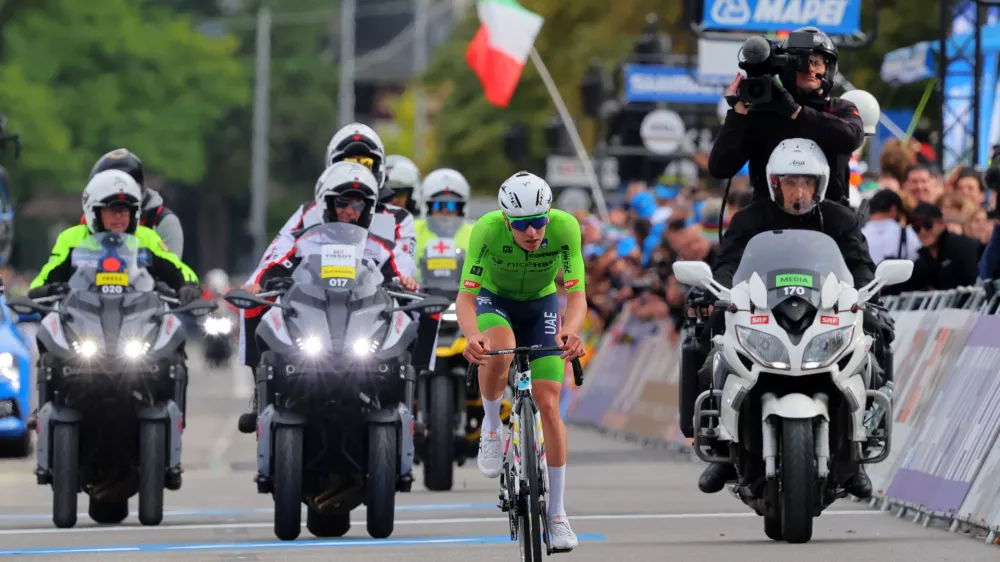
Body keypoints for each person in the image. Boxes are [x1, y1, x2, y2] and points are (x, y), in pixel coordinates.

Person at [695, 139, 883, 499]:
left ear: (820, 185)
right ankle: (722, 444)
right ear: (774, 184)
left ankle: (858, 450)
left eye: (806, 183)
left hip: (825, 313)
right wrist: (717, 291)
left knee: (874, 346)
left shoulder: (840, 219)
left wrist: (866, 295)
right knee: (710, 354)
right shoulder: (750, 219)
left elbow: (861, 266)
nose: (798, 191)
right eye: (790, 183)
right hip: (763, 313)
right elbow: (727, 264)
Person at [236, 123, 419, 427]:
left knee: (415, 312)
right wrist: (257, 282)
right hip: (314, 304)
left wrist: (406, 282)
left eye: (365, 163)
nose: (355, 170)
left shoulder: (398, 218)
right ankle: (260, 389)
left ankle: (412, 399)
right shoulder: (307, 211)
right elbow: (278, 253)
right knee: (255, 303)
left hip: (372, 303)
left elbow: (404, 263)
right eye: (346, 162)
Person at [456, 171, 587, 551]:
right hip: (495, 301)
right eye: (522, 224)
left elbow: (576, 294)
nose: (533, 232)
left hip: (541, 305)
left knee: (548, 403)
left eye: (539, 221)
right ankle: (492, 426)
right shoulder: (486, 230)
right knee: (501, 351)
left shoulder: (565, 228)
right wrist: (471, 336)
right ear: (506, 220)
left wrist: (572, 331)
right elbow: (466, 297)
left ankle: (558, 514)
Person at [26, 170, 201, 429]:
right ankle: (43, 407)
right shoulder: (72, 238)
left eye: (126, 210)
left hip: (134, 318)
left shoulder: (148, 239)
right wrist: (43, 290)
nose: (120, 216)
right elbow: (43, 279)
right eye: (112, 210)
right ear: (95, 212)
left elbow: (178, 269)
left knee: (172, 346)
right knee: (50, 342)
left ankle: (173, 418)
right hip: (85, 319)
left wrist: (188, 286)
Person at [708, 27, 864, 205]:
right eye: (802, 63)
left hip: (829, 217)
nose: (810, 69)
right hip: (768, 218)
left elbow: (852, 138)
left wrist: (796, 112)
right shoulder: (763, 113)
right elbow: (720, 168)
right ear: (787, 67)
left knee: (852, 230)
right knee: (737, 229)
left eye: (817, 62)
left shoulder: (840, 108)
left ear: (829, 69)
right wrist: (738, 114)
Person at [410, 168, 474, 374]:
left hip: (464, 304)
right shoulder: (411, 230)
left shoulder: (475, 233)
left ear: (461, 208)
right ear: (427, 207)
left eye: (452, 206)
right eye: (438, 205)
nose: (446, 212)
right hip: (420, 305)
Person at [82, 149, 185, 257]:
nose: (118, 216)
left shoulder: (158, 226)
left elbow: (172, 268)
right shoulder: (90, 220)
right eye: (110, 209)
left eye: (123, 208)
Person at [900, 203, 981, 291]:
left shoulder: (961, 246)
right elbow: (905, 286)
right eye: (916, 228)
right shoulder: (923, 259)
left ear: (942, 224)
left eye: (928, 225)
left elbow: (974, 280)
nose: (922, 232)